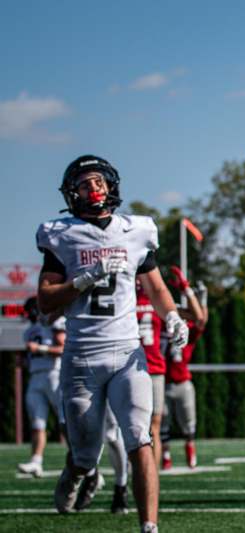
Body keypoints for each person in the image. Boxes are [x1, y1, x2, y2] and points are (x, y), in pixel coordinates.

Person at [36, 154, 188, 533]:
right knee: (87, 453)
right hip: (82, 355)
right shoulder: (62, 233)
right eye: (86, 184)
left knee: (140, 440)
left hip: (127, 353)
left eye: (99, 182)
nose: (94, 189)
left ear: (112, 186)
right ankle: (79, 473)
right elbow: (45, 301)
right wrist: (83, 279)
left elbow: (155, 287)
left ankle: (149, 527)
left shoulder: (134, 230)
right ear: (73, 193)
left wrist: (171, 317)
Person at [161, 267, 207, 470]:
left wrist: (189, 291)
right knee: (162, 423)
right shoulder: (158, 327)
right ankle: (166, 456)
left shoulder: (187, 334)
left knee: (189, 423)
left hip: (181, 382)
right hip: (161, 381)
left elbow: (199, 319)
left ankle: (190, 452)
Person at [17, 297, 65, 478]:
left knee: (65, 422)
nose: (28, 315)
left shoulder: (55, 324)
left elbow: (63, 347)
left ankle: (82, 462)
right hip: (36, 377)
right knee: (38, 423)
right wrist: (25, 360)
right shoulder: (29, 331)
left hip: (55, 375)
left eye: (29, 311)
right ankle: (36, 461)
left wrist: (40, 349)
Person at [136, 279, 167, 469]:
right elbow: (197, 316)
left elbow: (196, 318)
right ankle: (145, 473)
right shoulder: (157, 300)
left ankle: (150, 474)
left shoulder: (158, 299)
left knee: (152, 426)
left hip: (151, 369)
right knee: (148, 427)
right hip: (136, 369)